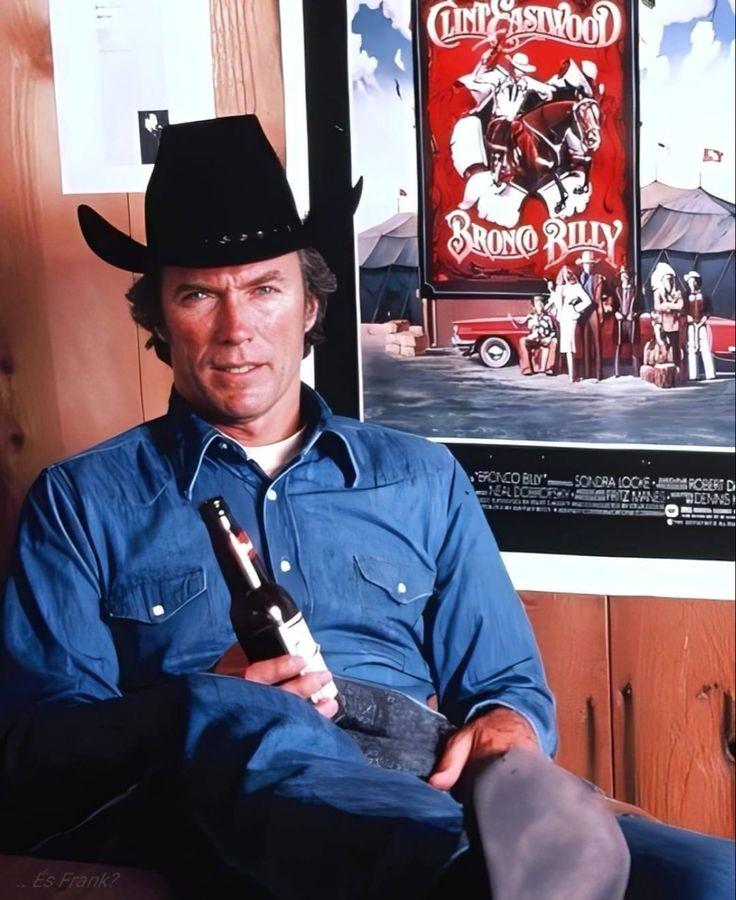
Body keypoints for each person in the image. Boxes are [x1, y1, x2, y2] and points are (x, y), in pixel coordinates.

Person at [1, 116, 733, 899]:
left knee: (709, 878)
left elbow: (504, 682)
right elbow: (46, 749)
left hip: (422, 772)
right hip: (220, 805)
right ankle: (460, 872)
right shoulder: (82, 501)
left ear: (310, 306)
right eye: (198, 295)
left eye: (264, 289)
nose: (237, 329)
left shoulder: (421, 477)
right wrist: (206, 698)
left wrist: (508, 728)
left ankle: (488, 862)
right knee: (258, 727)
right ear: (158, 318)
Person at [547, 266, 593, 382]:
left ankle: (573, 374)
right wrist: (552, 292)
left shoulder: (576, 287)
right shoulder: (560, 288)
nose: (566, 276)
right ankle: (571, 375)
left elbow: (587, 301)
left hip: (571, 317)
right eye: (564, 274)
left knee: (571, 346)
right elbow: (556, 302)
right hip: (562, 319)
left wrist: (576, 309)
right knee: (566, 347)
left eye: (568, 273)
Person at [576, 249, 610, 381]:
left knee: (596, 341)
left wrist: (606, 303)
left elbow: (608, 294)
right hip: (583, 312)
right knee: (585, 342)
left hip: (594, 310)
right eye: (586, 264)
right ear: (582, 265)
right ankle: (586, 373)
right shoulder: (578, 279)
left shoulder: (598, 278)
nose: (588, 266)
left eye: (590, 264)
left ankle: (598, 374)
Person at [650, 262, 685, 369]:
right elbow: (657, 306)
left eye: (671, 279)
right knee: (661, 343)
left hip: (674, 323)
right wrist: (668, 306)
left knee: (675, 345)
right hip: (662, 322)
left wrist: (667, 305)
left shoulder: (677, 293)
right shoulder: (657, 292)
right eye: (667, 279)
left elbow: (680, 305)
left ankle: (676, 366)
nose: (669, 281)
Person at [683, 270, 716, 381]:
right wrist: (687, 316)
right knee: (691, 348)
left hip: (701, 325)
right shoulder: (685, 295)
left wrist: (705, 318)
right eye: (690, 281)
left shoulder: (704, 294)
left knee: (705, 347)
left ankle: (710, 373)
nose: (692, 283)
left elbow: (709, 309)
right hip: (691, 325)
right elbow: (683, 309)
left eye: (694, 280)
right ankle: (693, 374)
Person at [513, 294, 558, 375]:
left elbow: (553, 331)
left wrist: (549, 338)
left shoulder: (548, 317)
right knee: (522, 341)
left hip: (544, 339)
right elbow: (522, 325)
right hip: (534, 339)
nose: (538, 306)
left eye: (540, 304)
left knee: (554, 342)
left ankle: (549, 368)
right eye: (536, 304)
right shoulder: (530, 317)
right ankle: (526, 369)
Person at [613, 266, 640, 377]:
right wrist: (616, 313)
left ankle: (636, 371)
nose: (624, 276)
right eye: (622, 274)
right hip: (620, 322)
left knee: (634, 345)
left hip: (631, 321)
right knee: (618, 345)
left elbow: (641, 306)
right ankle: (617, 371)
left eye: (626, 274)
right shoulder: (617, 290)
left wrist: (634, 314)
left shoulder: (635, 290)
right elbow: (613, 305)